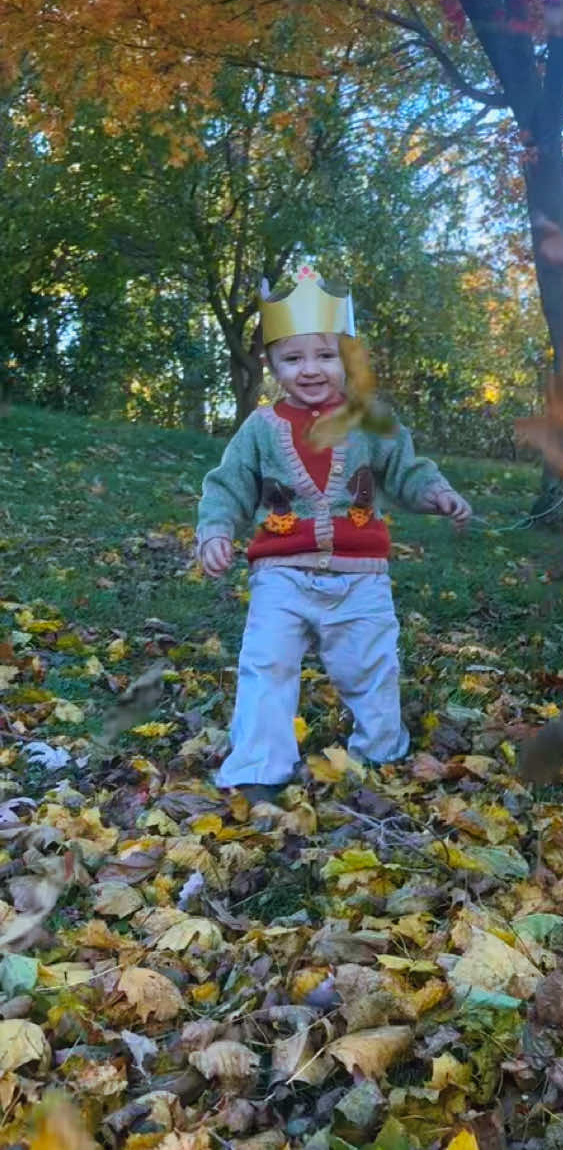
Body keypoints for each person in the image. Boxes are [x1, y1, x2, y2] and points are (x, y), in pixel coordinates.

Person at [196, 265, 471, 802]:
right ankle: (259, 767)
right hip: (282, 575)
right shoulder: (259, 429)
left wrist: (435, 493)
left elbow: (406, 470)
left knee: (370, 665)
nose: (310, 370)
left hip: (360, 578)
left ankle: (381, 752)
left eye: (324, 356)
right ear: (271, 364)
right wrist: (215, 531)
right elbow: (228, 485)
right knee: (267, 664)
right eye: (293, 358)